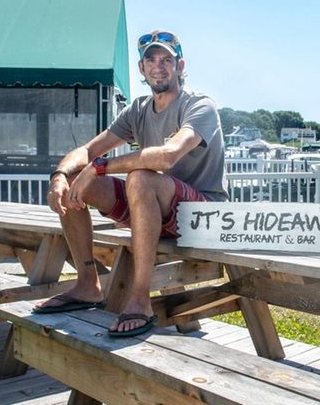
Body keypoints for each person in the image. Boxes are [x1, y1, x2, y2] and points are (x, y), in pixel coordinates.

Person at [34, 29, 227, 337]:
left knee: (140, 177)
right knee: (74, 178)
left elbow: (167, 157)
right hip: (156, 208)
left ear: (180, 66)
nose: (159, 66)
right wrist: (59, 176)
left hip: (203, 217)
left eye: (167, 59)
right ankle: (88, 284)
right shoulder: (137, 110)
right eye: (151, 60)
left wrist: (100, 167)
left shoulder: (200, 106)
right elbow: (86, 150)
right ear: (141, 68)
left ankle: (139, 299)